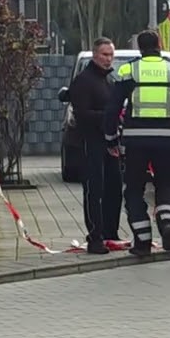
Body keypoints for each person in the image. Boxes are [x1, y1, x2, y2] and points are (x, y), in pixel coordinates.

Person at [103, 30, 170, 256]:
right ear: (160, 44)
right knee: (166, 186)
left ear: (139, 47)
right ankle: (167, 224)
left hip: (135, 141)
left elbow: (112, 108)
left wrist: (111, 139)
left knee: (134, 190)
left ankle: (143, 242)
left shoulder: (128, 70)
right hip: (168, 140)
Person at [67, 37, 122, 254]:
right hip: (90, 142)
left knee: (114, 188)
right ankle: (95, 237)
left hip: (110, 142)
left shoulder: (109, 80)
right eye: (104, 55)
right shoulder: (84, 81)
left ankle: (111, 233)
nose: (109, 59)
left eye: (111, 55)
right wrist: (108, 116)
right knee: (94, 190)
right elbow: (82, 114)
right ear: (94, 55)